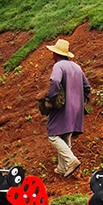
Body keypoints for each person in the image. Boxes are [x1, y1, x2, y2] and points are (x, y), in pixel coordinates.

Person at [42, 37, 90, 178]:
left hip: (63, 106)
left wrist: (50, 98)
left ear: (56, 54)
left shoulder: (59, 66)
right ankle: (62, 168)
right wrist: (81, 100)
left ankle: (72, 161)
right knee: (65, 134)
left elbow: (55, 81)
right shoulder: (77, 67)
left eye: (53, 53)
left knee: (53, 134)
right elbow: (87, 87)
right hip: (76, 107)